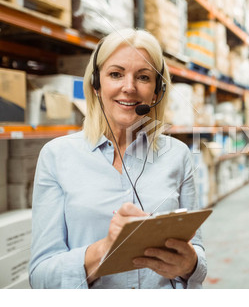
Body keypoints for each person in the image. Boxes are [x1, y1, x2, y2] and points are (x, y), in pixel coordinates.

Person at [28, 28, 206, 289]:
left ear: (157, 92)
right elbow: (41, 277)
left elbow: (198, 260)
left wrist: (190, 265)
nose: (129, 87)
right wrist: (106, 249)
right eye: (116, 74)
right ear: (96, 85)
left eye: (143, 77)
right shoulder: (57, 156)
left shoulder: (177, 156)